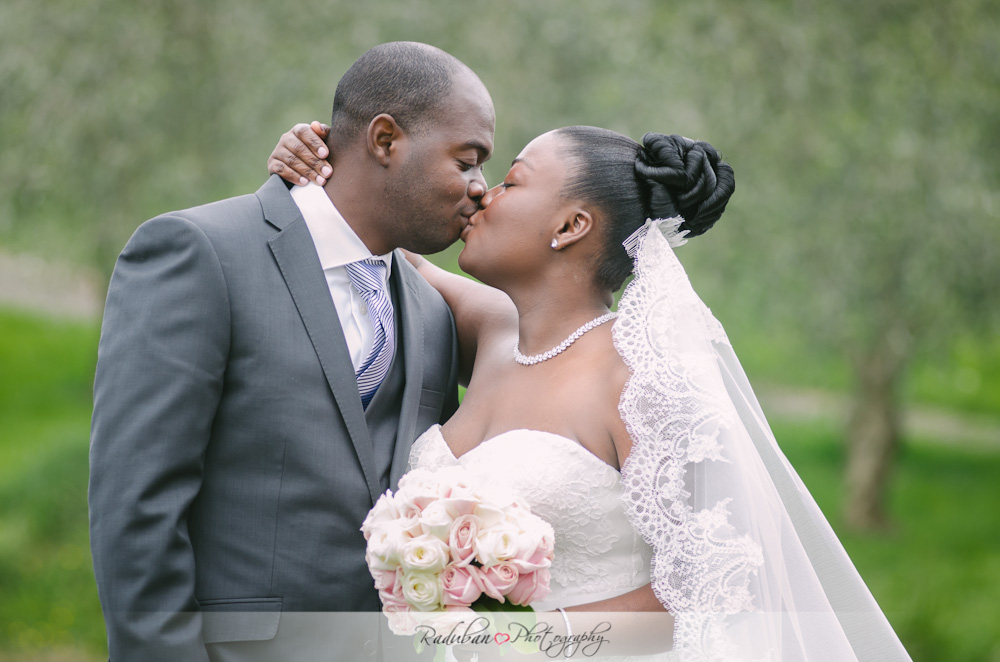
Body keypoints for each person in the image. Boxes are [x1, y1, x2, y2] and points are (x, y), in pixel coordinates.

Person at [269, 124, 913, 661]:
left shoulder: (641, 378)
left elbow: (711, 585)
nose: (482, 195)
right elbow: (365, 236)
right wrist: (317, 161)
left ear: (572, 224)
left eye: (511, 181)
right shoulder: (493, 331)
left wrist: (521, 640)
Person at [89, 42, 494, 662]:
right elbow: (137, 504)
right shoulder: (203, 253)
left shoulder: (432, 312)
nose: (480, 189)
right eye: (466, 161)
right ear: (385, 140)